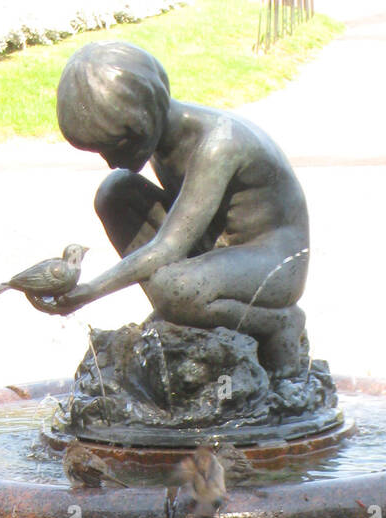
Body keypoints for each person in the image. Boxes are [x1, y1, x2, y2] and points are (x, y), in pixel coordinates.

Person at [27, 42, 311, 378]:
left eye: (118, 146)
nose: (112, 161)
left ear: (146, 116)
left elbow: (169, 247)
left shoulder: (220, 143)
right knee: (114, 192)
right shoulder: (162, 134)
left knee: (174, 286)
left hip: (272, 262)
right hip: (213, 249)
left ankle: (277, 324)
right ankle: (180, 310)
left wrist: (90, 291)